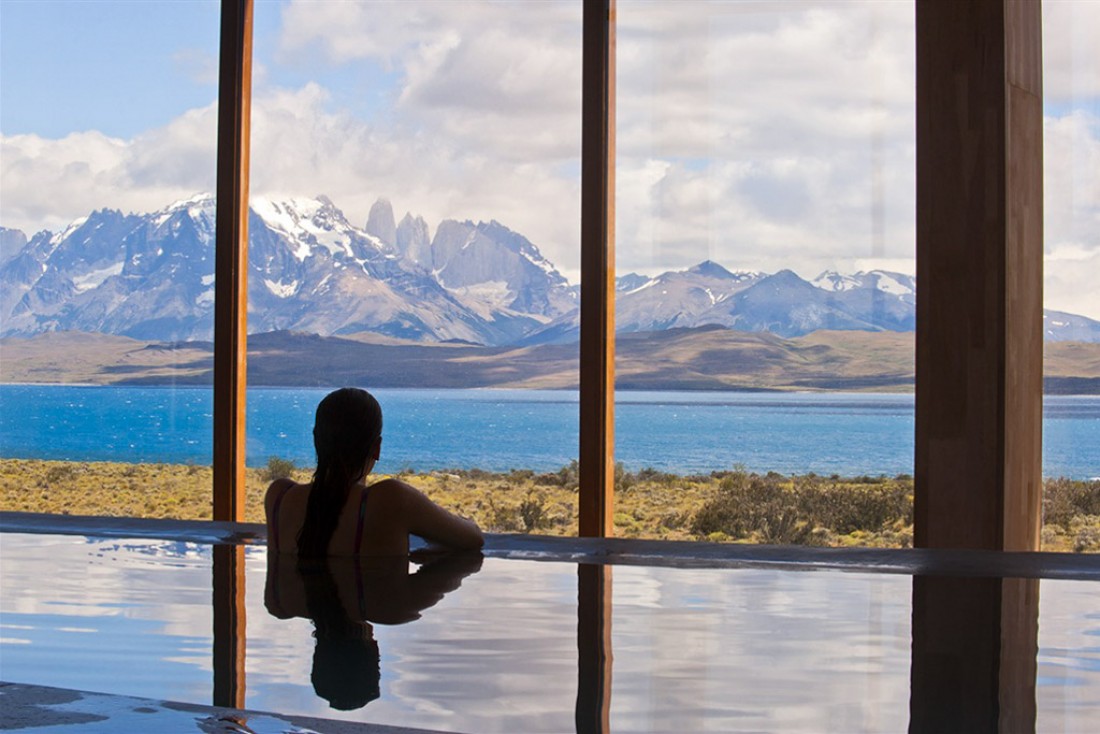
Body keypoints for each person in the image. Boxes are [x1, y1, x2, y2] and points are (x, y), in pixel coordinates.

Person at [265, 387, 484, 556]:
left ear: (316, 441)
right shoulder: (391, 500)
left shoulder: (279, 498)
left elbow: (276, 605)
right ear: (376, 448)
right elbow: (473, 538)